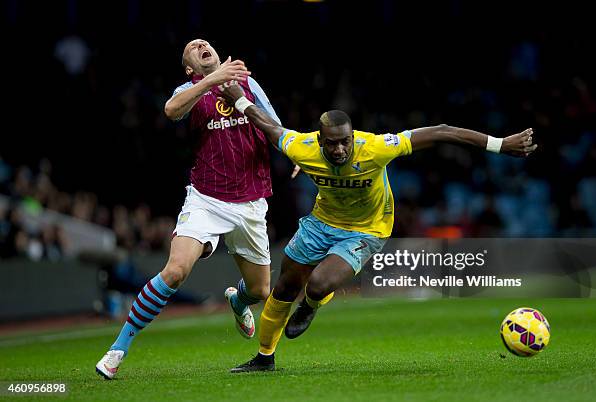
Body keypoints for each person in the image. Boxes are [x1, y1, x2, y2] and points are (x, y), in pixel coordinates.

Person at [217, 81, 537, 372]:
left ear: (353, 137)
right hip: (321, 223)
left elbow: (441, 131)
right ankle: (264, 358)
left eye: (345, 142)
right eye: (332, 144)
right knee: (285, 286)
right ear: (320, 140)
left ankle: (311, 305)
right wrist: (240, 100)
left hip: (367, 229)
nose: (339, 150)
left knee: (317, 284)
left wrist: (500, 144)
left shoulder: (376, 148)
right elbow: (270, 128)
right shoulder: (303, 147)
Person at [96, 39, 282, 380]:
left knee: (260, 291)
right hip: (206, 198)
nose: (200, 44)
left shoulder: (247, 82)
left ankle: (238, 300)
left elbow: (273, 124)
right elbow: (171, 111)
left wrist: (296, 155)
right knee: (176, 270)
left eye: (204, 43)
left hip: (251, 200)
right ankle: (117, 350)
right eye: (192, 48)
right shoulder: (188, 90)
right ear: (190, 69)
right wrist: (213, 80)